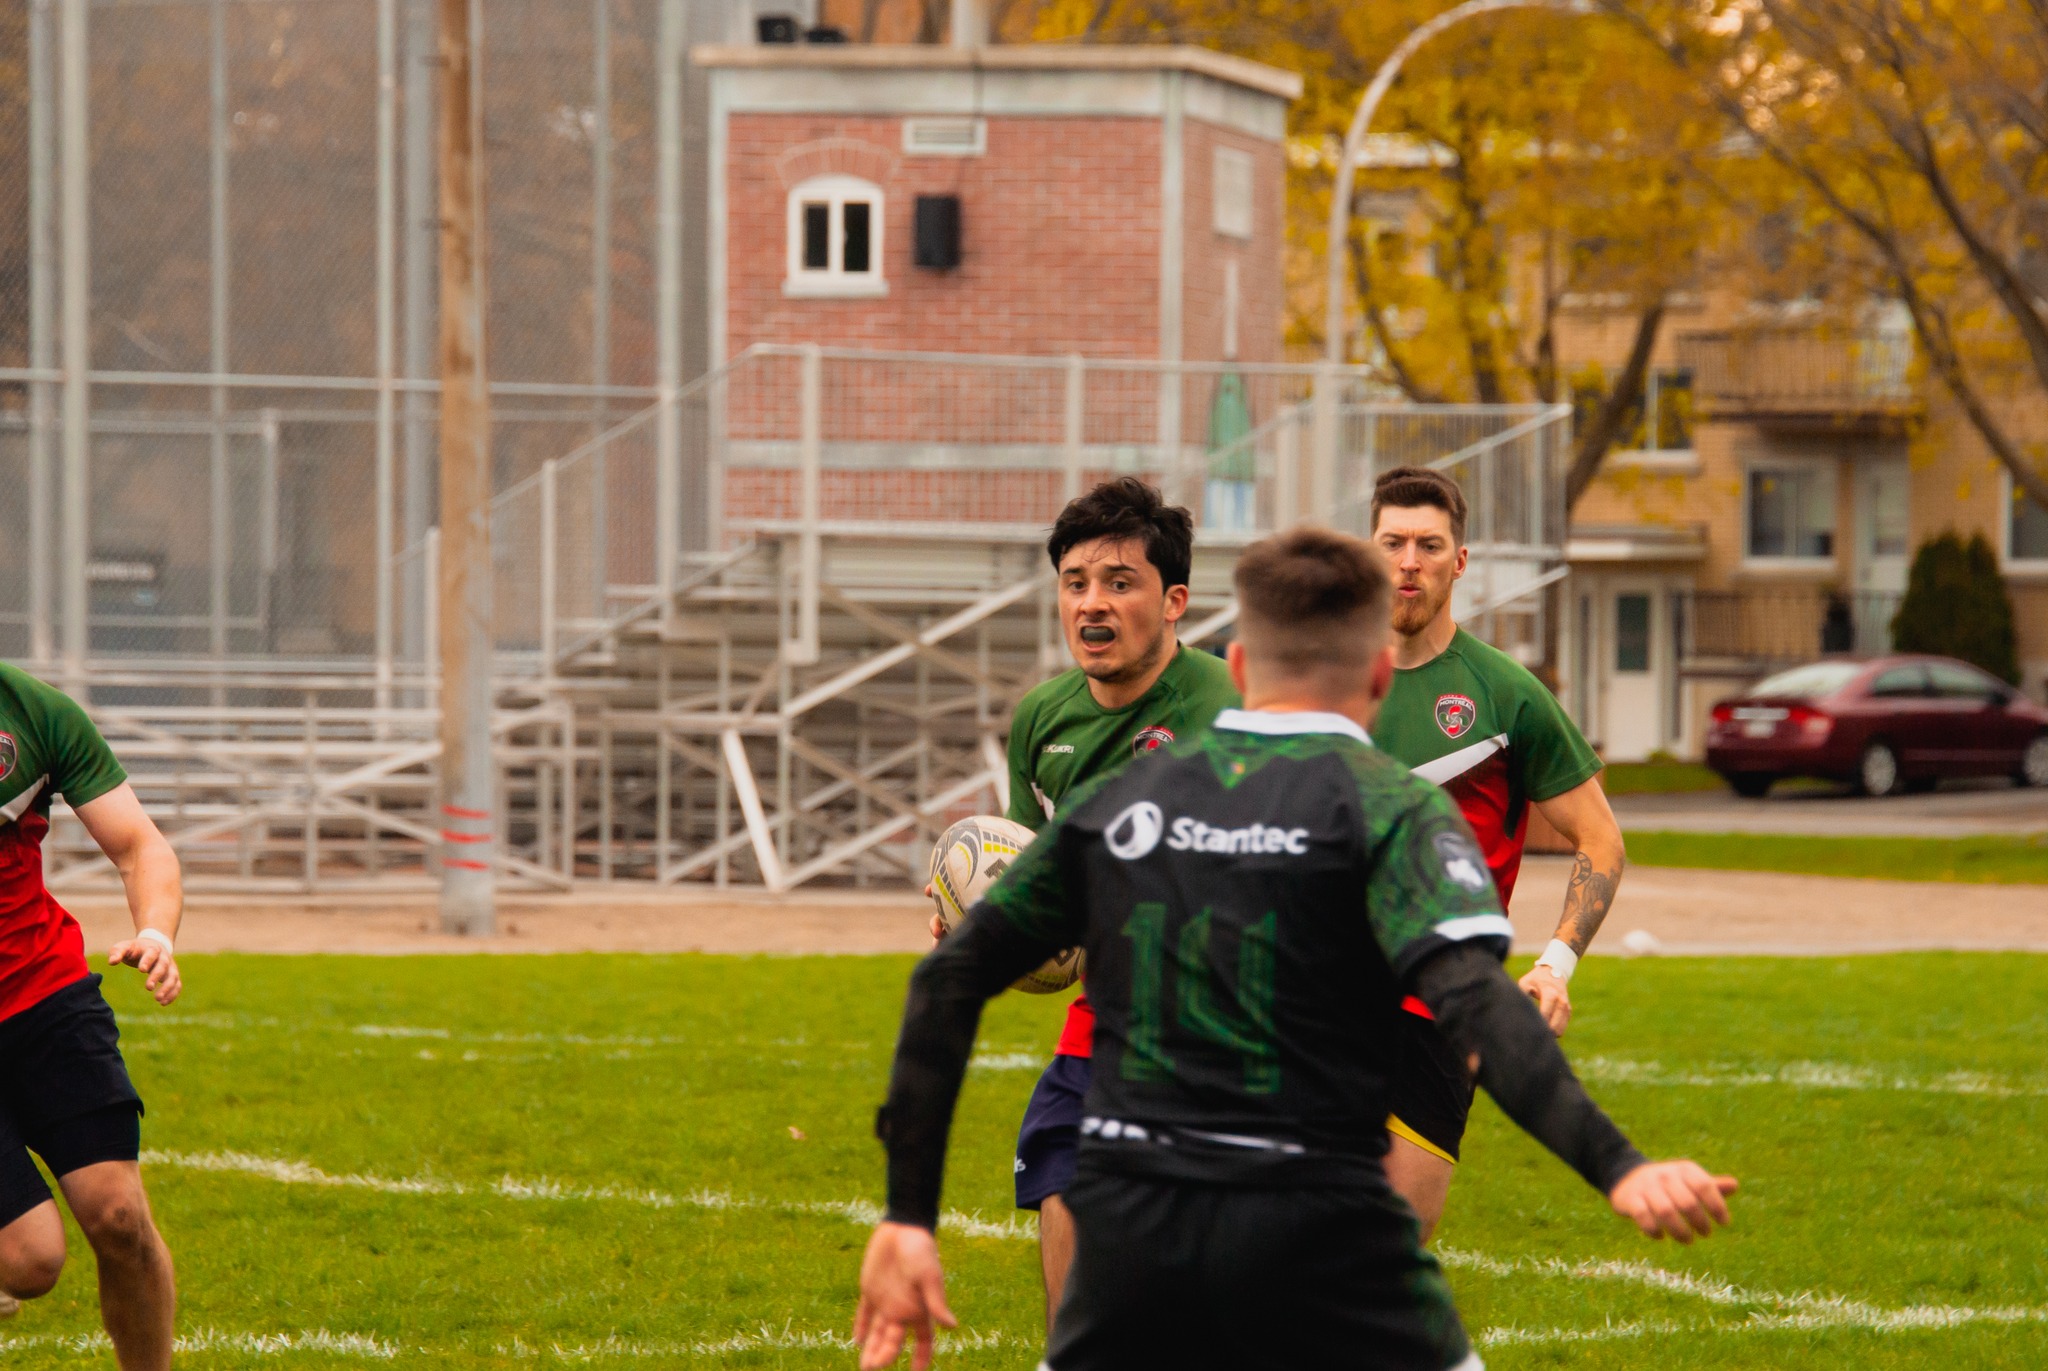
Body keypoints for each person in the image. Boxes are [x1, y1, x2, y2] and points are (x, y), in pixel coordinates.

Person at [856, 526, 1736, 1371]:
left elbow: (950, 978)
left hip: (1133, 1240)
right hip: (1327, 1230)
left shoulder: (1124, 801)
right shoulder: (1394, 810)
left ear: (1239, 667)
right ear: (1382, 676)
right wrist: (1618, 1167)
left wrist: (906, 1217)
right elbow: (1478, 1006)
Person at [927, 477, 1239, 1330]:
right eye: (1075, 582)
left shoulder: (1229, 710)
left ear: (1174, 601)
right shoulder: (1042, 719)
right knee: (1058, 1163)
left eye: (1119, 582)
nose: (1092, 604)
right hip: (1115, 1010)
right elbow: (1034, 879)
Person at [1369, 465, 1628, 1241]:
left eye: (1428, 544)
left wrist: (1555, 964)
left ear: (1460, 560)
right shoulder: (1318, 684)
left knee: (1389, 1261)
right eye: (1393, 542)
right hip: (1316, 1001)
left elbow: (1601, 839)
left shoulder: (1503, 694)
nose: (1409, 560)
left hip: (1438, 1013)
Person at [0, 665, 184, 1371]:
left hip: (46, 995)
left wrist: (157, 931)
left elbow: (140, 846)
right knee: (29, 1259)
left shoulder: (35, 712)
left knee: (119, 1216)